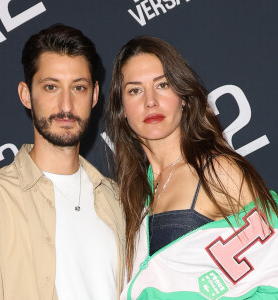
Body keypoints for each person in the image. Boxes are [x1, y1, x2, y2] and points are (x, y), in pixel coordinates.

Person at [106, 36, 278, 300]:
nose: (150, 101)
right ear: (122, 110)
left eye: (162, 84)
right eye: (135, 90)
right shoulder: (133, 196)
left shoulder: (218, 171)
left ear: (183, 97)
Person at [0, 24, 125, 300]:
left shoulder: (117, 201)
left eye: (78, 88)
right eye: (51, 87)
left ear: (94, 95)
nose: (66, 105)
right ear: (26, 95)